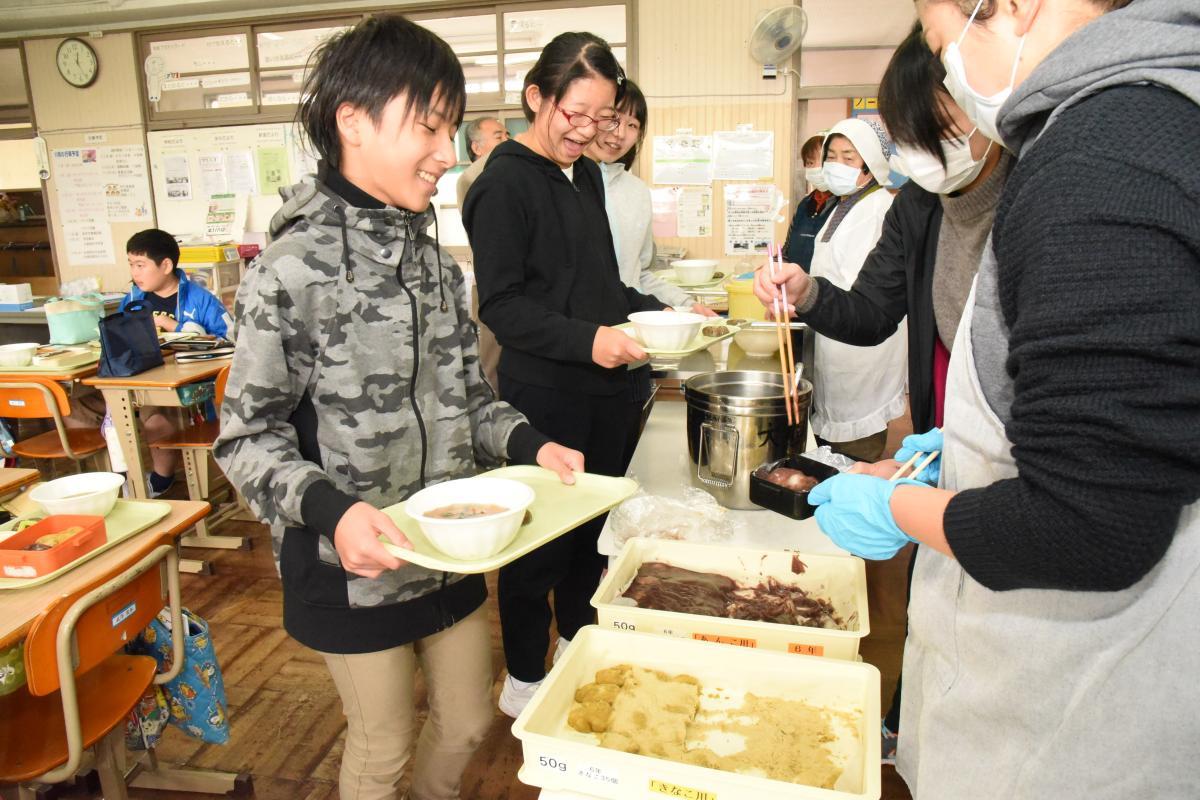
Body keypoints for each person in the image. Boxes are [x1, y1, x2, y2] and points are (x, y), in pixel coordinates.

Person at [804, 0, 1200, 796]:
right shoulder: (1133, 123)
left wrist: (897, 511)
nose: (944, 58)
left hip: (1082, 696)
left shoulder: (1101, 156)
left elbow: (1094, 525)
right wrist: (964, 449)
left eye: (940, 37)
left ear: (1009, 8)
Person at [213, 17, 583, 800]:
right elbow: (246, 439)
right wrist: (332, 513)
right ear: (353, 120)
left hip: (447, 549)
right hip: (346, 561)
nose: (449, 153)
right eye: (430, 126)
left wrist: (531, 443)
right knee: (380, 750)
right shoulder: (289, 270)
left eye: (450, 128)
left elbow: (470, 401)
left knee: (468, 725)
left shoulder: (436, 265)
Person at [757, 23, 1013, 764]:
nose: (909, 156)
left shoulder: (1035, 193)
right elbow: (870, 312)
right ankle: (908, 722)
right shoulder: (920, 207)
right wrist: (807, 291)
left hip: (1019, 456)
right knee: (943, 605)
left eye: (923, 131)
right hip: (948, 439)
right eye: (899, 139)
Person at [463, 32, 665, 718]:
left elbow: (601, 287)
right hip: (544, 397)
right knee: (536, 548)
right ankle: (522, 675)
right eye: (575, 114)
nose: (589, 131)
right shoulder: (503, 182)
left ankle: (576, 644)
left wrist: (664, 312)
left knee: (590, 540)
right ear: (536, 99)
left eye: (604, 118)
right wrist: (592, 342)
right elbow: (505, 307)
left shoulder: (581, 178)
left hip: (603, 392)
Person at [802, 118, 904, 462]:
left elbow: (866, 294)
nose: (836, 165)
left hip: (861, 352)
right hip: (833, 339)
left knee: (856, 450)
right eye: (831, 156)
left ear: (870, 164)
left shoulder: (878, 209)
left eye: (849, 158)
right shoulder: (844, 204)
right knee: (831, 442)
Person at [585, 78, 716, 317]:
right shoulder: (565, 183)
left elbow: (640, 273)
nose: (620, 134)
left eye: (633, 125)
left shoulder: (637, 192)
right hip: (580, 331)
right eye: (613, 119)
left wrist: (686, 304)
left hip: (630, 325)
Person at [120, 228, 234, 496]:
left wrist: (174, 326)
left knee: (158, 414)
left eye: (141, 265)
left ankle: (161, 478)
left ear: (166, 265)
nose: (135, 273)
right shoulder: (133, 300)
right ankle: (127, 476)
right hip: (146, 377)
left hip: (192, 383)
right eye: (131, 265)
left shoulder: (199, 299)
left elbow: (229, 340)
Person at [780, 134, 839, 272]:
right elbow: (788, 249)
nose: (815, 168)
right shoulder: (804, 204)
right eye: (810, 163)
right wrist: (775, 264)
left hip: (825, 287)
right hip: (794, 284)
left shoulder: (844, 204)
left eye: (822, 162)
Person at [455, 115, 509, 206]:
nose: (507, 141)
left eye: (507, 136)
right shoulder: (466, 181)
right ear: (476, 148)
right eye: (499, 137)